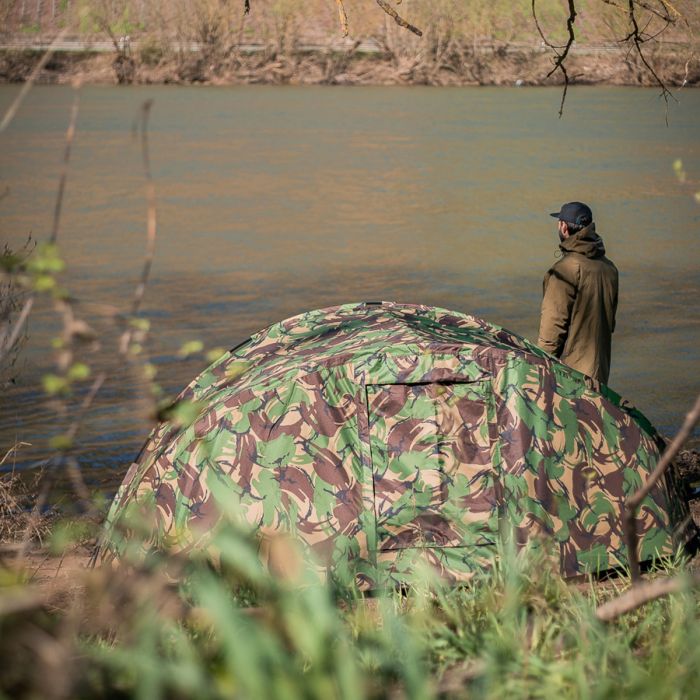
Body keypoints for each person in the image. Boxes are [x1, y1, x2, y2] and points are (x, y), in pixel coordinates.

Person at [537, 202, 618, 384]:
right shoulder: (610, 269)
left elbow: (552, 330)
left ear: (563, 227)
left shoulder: (563, 271)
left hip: (569, 376)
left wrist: (539, 371)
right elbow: (610, 324)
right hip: (599, 373)